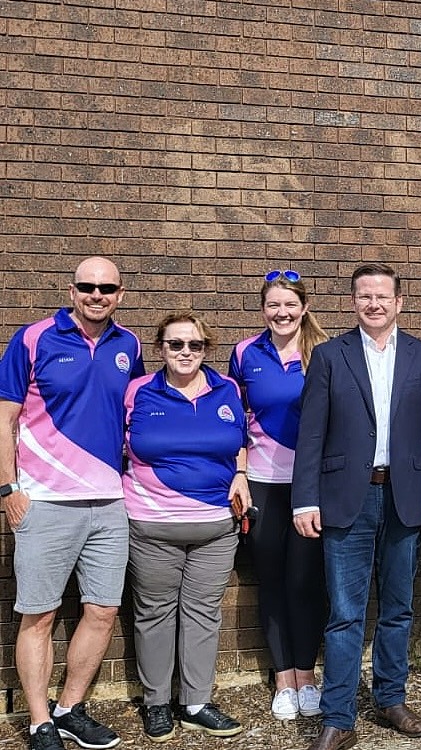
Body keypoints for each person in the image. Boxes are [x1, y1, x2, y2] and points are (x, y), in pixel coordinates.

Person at [292, 264, 421, 750]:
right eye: (365, 296)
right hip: (347, 498)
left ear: (399, 301)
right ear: (353, 302)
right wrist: (305, 499)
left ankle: (390, 698)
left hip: (406, 497)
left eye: (383, 296)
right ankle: (339, 718)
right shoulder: (328, 356)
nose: (374, 304)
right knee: (345, 613)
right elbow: (311, 437)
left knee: (399, 608)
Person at [0, 257, 144, 750]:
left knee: (102, 610)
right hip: (44, 501)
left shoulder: (130, 345)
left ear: (120, 293)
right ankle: (40, 722)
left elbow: (135, 416)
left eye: (107, 287)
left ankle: (69, 708)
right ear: (72, 290)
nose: (96, 294)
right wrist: (7, 489)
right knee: (38, 615)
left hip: (109, 503)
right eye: (87, 286)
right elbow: (5, 419)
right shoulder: (33, 338)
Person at [124, 311, 249, 742]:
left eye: (194, 345)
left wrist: (241, 473)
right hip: (152, 525)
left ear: (206, 349)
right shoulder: (137, 391)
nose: (185, 353)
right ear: (160, 348)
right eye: (175, 344)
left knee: (203, 615)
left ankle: (195, 702)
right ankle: (157, 703)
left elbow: (241, 442)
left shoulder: (227, 388)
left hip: (216, 528)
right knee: (154, 615)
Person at [229, 270, 329, 721]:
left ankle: (307, 674)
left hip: (312, 485)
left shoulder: (325, 353)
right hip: (264, 484)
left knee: (306, 582)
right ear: (263, 308)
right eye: (273, 304)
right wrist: (240, 472)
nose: (282, 312)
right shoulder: (244, 353)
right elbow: (235, 419)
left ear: (304, 307)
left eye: (290, 304)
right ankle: (283, 677)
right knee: (270, 581)